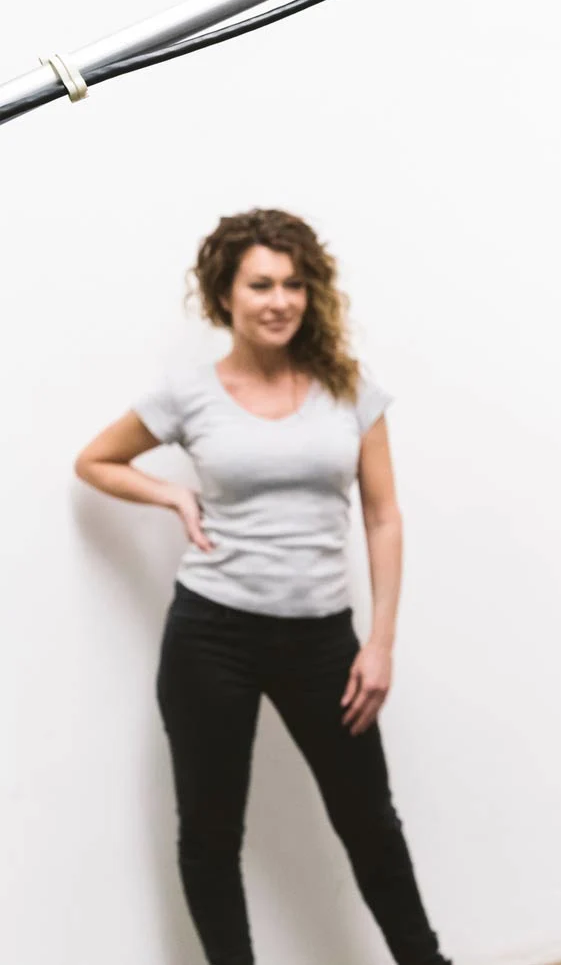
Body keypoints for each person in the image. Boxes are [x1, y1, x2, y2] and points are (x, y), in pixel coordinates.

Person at [75, 209, 452, 965]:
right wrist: (172, 495)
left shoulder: (350, 388)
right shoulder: (190, 394)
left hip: (323, 640)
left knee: (369, 820)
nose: (278, 299)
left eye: (292, 283)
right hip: (212, 635)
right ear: (225, 295)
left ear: (310, 292)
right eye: (259, 284)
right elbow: (97, 460)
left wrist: (379, 642)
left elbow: (383, 517)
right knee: (211, 833)